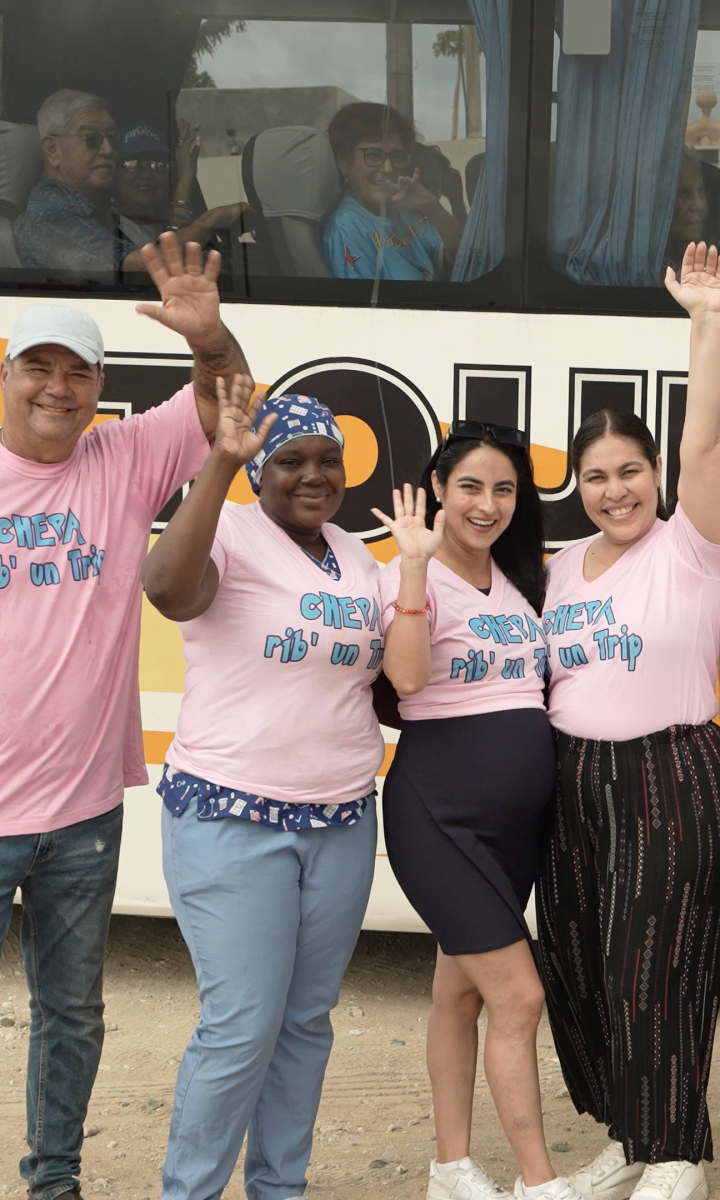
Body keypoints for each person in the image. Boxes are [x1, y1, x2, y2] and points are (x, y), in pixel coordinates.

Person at [0, 231, 249, 1200]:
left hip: (81, 814)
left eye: (77, 374)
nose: (57, 389)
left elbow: (232, 406)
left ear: (98, 386)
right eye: (38, 369)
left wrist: (209, 338)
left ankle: (52, 1181)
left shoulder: (124, 457)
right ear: (7, 375)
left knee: (72, 1013)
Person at [140, 383, 383, 1200]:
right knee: (242, 1027)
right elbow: (169, 589)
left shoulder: (355, 555)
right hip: (232, 817)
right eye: (289, 461)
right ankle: (191, 1192)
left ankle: (280, 1189)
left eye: (327, 461)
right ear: (256, 470)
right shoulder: (230, 530)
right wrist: (220, 463)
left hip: (343, 819)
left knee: (305, 1026)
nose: (312, 476)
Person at [537, 242, 720, 1200]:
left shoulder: (694, 548)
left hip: (672, 776)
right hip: (574, 780)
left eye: (629, 470)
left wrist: (705, 322)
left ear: (655, 474)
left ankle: (677, 1154)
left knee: (657, 966)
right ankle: (627, 1133)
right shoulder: (562, 566)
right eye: (594, 476)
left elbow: (707, 446)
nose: (613, 490)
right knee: (581, 963)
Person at [372, 422, 579, 1200]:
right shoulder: (409, 572)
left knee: (457, 992)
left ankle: (451, 1168)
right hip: (439, 814)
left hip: (514, 827)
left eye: (504, 489)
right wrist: (417, 571)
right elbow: (410, 679)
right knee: (519, 995)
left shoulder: (523, 579)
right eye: (470, 486)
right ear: (437, 488)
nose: (486, 504)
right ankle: (538, 1182)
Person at [323, 102, 462, 281]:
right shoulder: (345, 229)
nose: (388, 169)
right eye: (373, 155)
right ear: (343, 162)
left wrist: (433, 208)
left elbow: (467, 258)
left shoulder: (402, 210)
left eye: (397, 157)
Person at [15, 89, 137, 274]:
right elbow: (134, 267)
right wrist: (198, 228)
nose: (109, 149)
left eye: (113, 138)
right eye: (91, 138)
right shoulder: (48, 217)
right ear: (52, 150)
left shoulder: (92, 206)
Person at [114, 119, 246, 251]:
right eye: (133, 164)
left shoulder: (170, 224)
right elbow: (163, 260)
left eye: (159, 165)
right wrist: (212, 219)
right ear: (114, 174)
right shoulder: (106, 230)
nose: (148, 174)